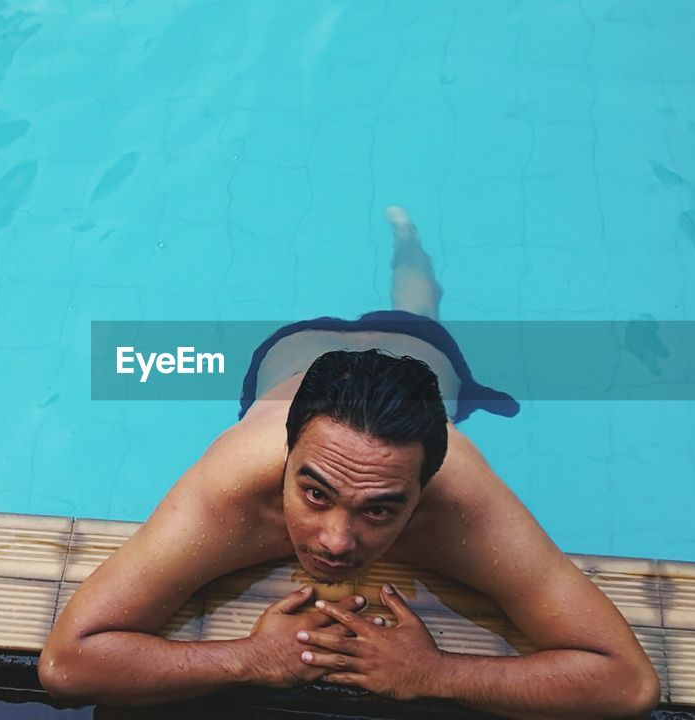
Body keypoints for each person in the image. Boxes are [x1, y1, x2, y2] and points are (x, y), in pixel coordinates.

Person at [40, 208, 660, 718]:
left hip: (420, 353)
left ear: (424, 493)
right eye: (314, 493)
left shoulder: (463, 500)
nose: (336, 541)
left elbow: (627, 684)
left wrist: (436, 673)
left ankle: (408, 240)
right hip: (293, 353)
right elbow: (68, 665)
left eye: (381, 509)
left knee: (417, 307)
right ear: (286, 460)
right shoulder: (232, 486)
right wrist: (247, 660)